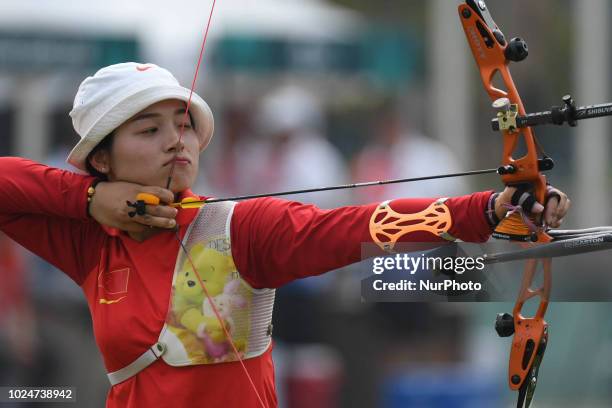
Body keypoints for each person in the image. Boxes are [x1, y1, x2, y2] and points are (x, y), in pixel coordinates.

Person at [0, 62, 570, 408]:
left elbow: (355, 225)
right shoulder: (92, 241)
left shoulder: (237, 229)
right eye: (150, 131)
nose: (178, 142)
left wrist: (491, 208)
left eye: (184, 127)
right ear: (102, 158)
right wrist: (88, 199)